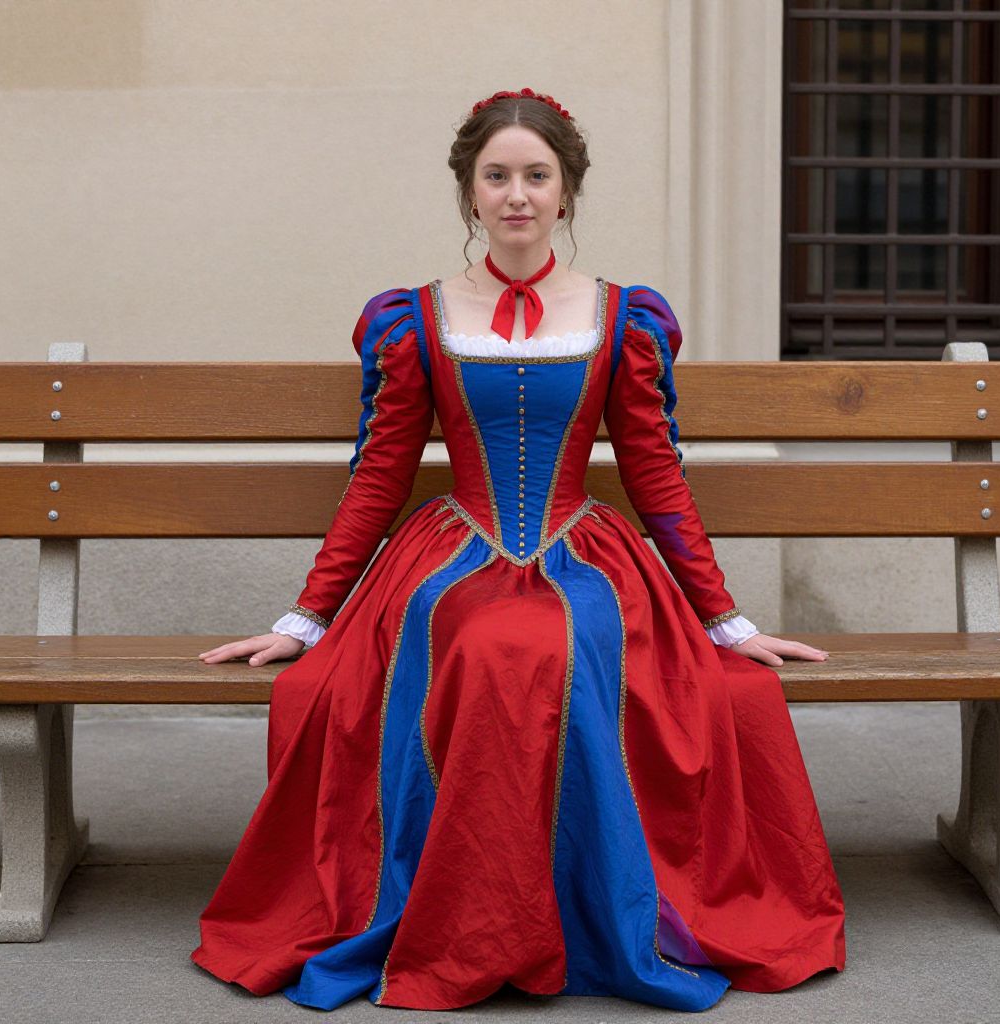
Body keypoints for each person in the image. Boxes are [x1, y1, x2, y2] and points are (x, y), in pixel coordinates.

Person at [190, 88, 846, 1013]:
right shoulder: (417, 317)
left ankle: (560, 913)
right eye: (496, 176)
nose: (517, 195)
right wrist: (306, 617)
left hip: (587, 555)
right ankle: (480, 919)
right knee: (488, 643)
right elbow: (379, 477)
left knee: (554, 647)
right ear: (469, 190)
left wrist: (725, 620)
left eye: (536, 175)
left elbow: (655, 475)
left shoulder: (621, 316)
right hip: (454, 553)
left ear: (567, 189)